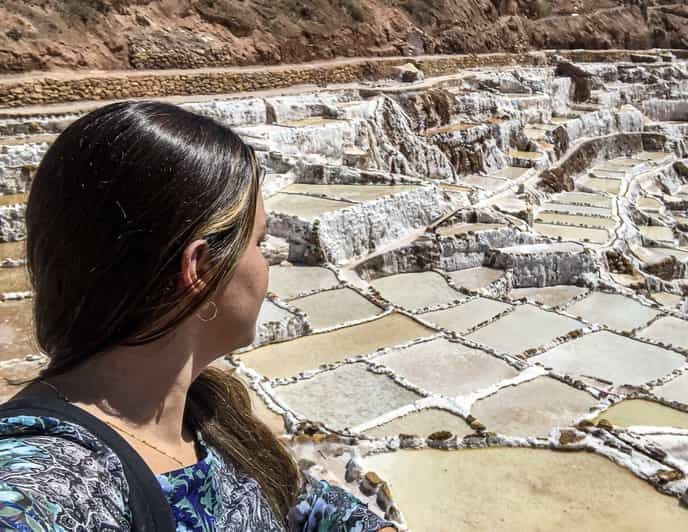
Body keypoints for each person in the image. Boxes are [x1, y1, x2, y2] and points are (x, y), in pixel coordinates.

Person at [0, 101, 396, 532]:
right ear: (201, 268)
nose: (266, 265)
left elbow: (307, 505)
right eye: (259, 243)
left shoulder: (210, 416)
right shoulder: (52, 483)